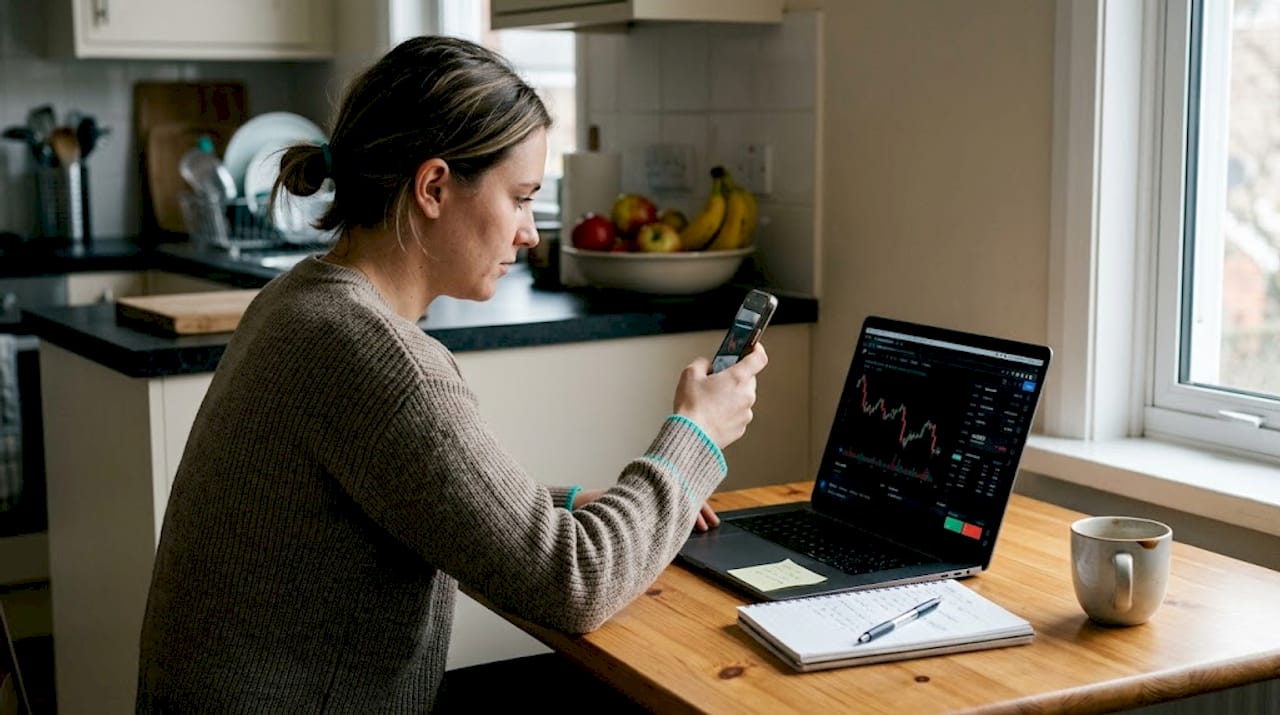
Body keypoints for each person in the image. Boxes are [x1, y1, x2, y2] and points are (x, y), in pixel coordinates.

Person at [136, 35, 767, 712]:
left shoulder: (300, 301)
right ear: (433, 187)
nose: (530, 232)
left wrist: (567, 505)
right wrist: (696, 432)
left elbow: (415, 492)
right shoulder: (379, 360)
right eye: (520, 198)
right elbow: (574, 582)